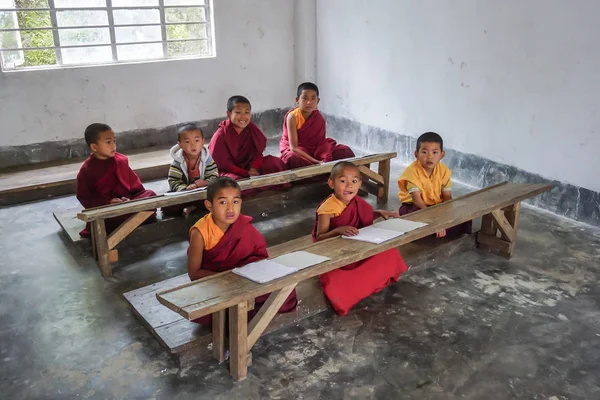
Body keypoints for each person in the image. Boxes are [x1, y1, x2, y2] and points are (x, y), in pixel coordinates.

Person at [187, 177, 297, 325]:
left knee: (284, 291)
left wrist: (248, 275)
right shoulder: (200, 233)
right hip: (218, 282)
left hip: (245, 277)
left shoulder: (243, 225)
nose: (230, 209)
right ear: (209, 205)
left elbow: (258, 256)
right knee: (213, 308)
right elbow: (194, 273)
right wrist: (230, 279)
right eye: (222, 202)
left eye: (235, 201)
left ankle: (248, 307)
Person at [312, 161, 407, 316]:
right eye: (343, 181)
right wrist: (337, 231)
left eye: (354, 181)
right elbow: (320, 238)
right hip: (334, 249)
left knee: (387, 252)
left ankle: (375, 282)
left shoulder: (356, 202)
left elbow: (365, 215)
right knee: (336, 277)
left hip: (355, 242)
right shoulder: (327, 208)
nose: (349, 186)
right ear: (331, 183)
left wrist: (379, 212)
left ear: (360, 184)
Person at [76, 123, 156, 237]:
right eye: (108, 142)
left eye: (114, 141)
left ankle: (134, 216)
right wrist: (108, 202)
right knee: (105, 218)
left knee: (150, 195)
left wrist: (126, 198)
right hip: (107, 210)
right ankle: (137, 217)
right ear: (94, 147)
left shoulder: (120, 161)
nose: (113, 145)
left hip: (126, 203)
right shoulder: (87, 170)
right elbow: (85, 197)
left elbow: (135, 186)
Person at [208, 95, 289, 193]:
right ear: (229, 114)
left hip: (249, 167)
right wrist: (246, 173)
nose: (243, 116)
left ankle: (266, 188)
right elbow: (224, 165)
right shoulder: (220, 135)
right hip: (229, 171)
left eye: (247, 112)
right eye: (238, 112)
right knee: (234, 182)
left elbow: (258, 153)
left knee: (275, 163)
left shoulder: (251, 129)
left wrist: (254, 167)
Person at [397, 131, 471, 237]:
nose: (429, 157)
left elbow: (447, 197)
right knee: (413, 225)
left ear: (442, 155)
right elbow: (417, 200)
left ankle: (438, 231)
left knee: (462, 219)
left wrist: (443, 216)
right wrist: (433, 220)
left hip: (437, 206)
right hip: (416, 207)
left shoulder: (444, 171)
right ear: (416, 154)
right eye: (424, 152)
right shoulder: (411, 173)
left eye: (434, 152)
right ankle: (432, 232)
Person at [280, 82, 355, 169]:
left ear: (318, 101)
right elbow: (294, 148)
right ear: (297, 100)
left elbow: (320, 143)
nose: (309, 102)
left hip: (315, 151)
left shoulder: (318, 117)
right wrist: (316, 162)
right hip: (299, 151)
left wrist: (323, 155)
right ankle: (320, 175)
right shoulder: (292, 117)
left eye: (313, 98)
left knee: (344, 150)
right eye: (305, 98)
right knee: (292, 157)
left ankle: (354, 177)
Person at [163, 123, 218, 217]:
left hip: (203, 192)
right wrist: (185, 188)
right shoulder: (177, 163)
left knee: (216, 195)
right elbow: (173, 181)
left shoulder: (207, 159)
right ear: (180, 145)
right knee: (166, 207)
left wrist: (205, 182)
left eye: (197, 140)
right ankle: (192, 206)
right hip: (185, 194)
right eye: (187, 142)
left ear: (202, 142)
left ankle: (192, 207)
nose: (193, 145)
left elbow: (214, 176)